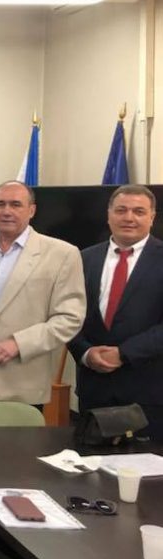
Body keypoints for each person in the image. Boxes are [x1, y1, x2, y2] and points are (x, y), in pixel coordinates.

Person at [0, 181, 85, 405]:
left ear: (32, 210)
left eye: (16, 204)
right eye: (0, 204)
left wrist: (19, 344)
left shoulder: (63, 254)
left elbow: (70, 318)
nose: (6, 211)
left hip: (22, 383)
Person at [68, 184, 163, 439]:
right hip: (94, 391)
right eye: (121, 210)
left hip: (149, 395)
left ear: (152, 217)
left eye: (139, 211)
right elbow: (67, 315)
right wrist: (85, 352)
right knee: (90, 462)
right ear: (108, 215)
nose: (129, 217)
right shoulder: (82, 259)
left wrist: (123, 354)